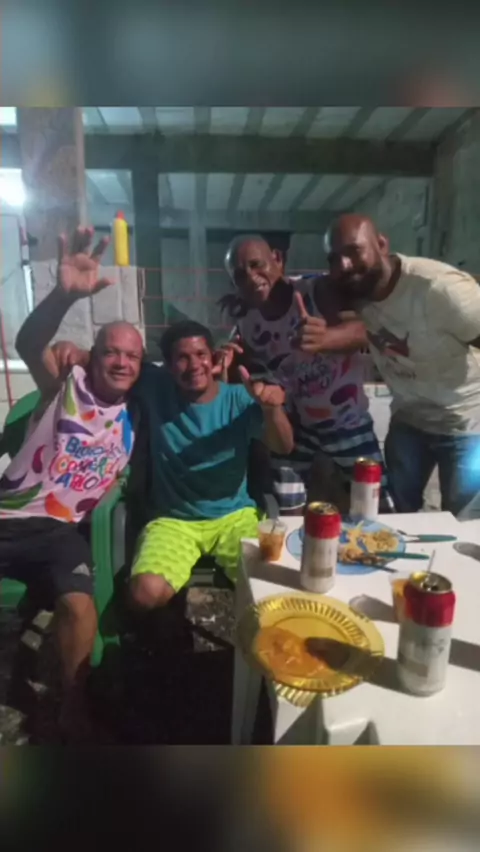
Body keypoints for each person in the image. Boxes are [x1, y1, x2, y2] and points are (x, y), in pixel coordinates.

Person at [0, 226, 143, 740]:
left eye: (132, 355)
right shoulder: (65, 383)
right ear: (92, 355)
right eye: (111, 352)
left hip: (61, 532)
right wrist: (63, 296)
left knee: (80, 606)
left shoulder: (137, 413)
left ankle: (72, 706)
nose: (121, 362)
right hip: (8, 516)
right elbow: (28, 343)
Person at [127, 320, 293, 609]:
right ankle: (166, 629)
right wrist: (73, 354)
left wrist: (272, 409)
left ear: (213, 357)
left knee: (270, 587)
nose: (194, 365)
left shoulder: (239, 399)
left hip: (234, 516)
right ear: (168, 365)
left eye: (201, 354)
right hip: (173, 520)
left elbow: (284, 446)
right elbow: (110, 361)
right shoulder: (154, 387)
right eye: (182, 358)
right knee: (145, 593)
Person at [325, 213, 480, 515]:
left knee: (462, 521)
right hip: (408, 419)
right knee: (395, 511)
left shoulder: (438, 289)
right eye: (334, 258)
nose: (344, 265)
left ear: (381, 244)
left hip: (466, 424)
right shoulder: (355, 289)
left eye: (354, 251)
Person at [220, 235, 386, 514]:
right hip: (299, 428)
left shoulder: (315, 291)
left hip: (347, 421)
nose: (250, 277)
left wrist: (327, 338)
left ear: (278, 259)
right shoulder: (247, 321)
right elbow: (247, 370)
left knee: (378, 504)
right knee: (287, 508)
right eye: (239, 274)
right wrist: (227, 362)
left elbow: (365, 330)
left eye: (256, 264)